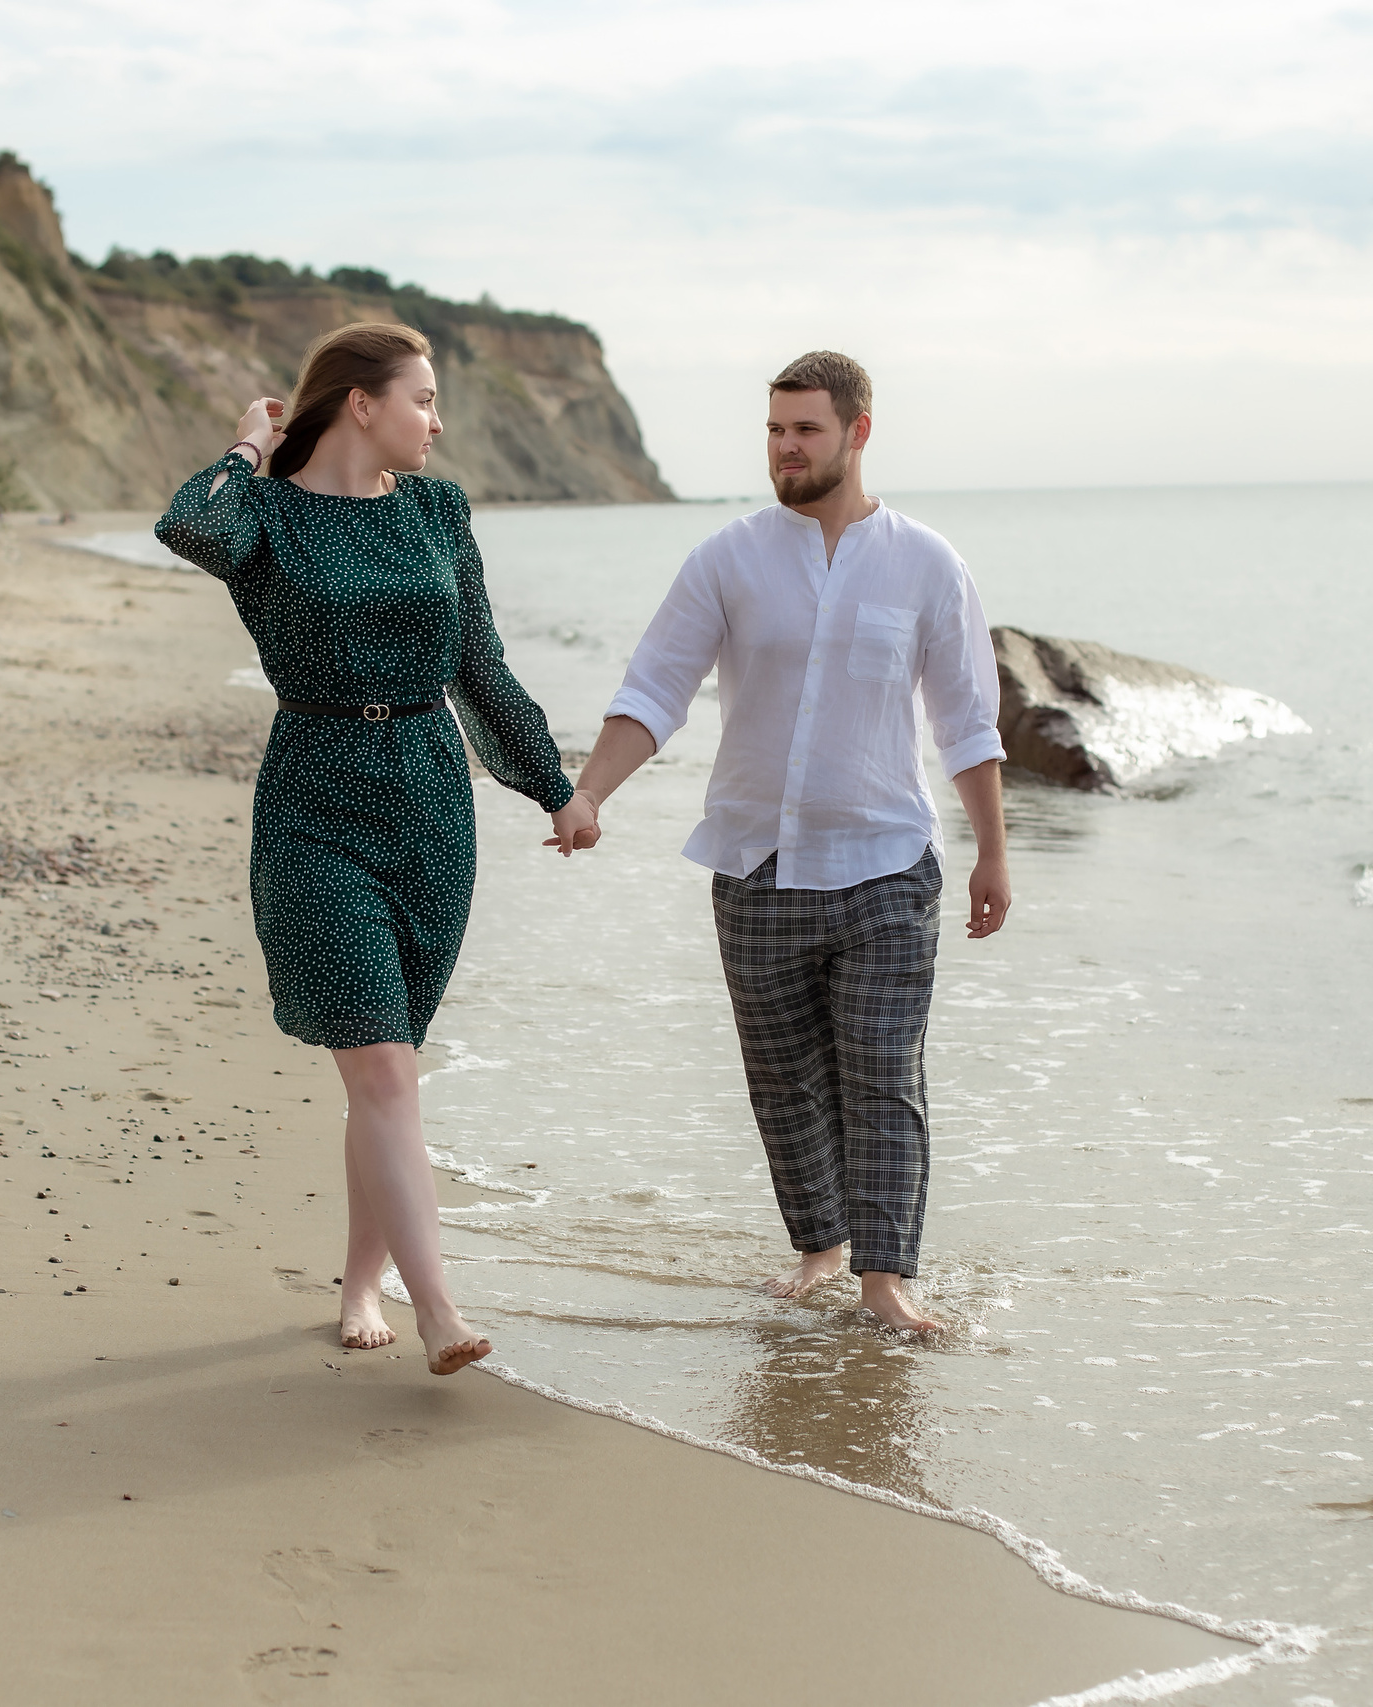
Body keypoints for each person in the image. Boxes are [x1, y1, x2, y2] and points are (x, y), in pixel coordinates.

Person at [154, 322, 599, 1375]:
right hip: (314, 803)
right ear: (361, 402)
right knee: (385, 1075)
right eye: (423, 399)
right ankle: (438, 1308)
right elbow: (188, 529)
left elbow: (479, 666)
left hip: (432, 804)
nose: (437, 422)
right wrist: (246, 448)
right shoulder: (260, 515)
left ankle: (361, 1282)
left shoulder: (439, 512)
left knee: (384, 1070)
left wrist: (554, 784)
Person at [568, 351, 1009, 1334]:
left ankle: (886, 1280)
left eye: (805, 430)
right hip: (753, 864)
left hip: (888, 864)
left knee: (883, 1073)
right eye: (774, 430)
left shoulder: (927, 564)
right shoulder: (727, 558)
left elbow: (967, 722)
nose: (785, 448)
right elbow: (654, 688)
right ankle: (820, 1247)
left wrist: (992, 851)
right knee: (784, 1082)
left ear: (856, 433)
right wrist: (591, 791)